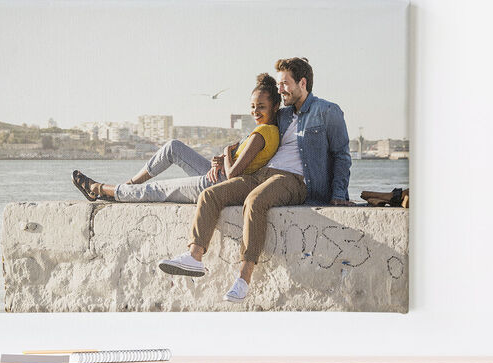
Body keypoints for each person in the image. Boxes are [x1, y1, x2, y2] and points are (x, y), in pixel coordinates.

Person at [158, 57, 352, 303]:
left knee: (255, 201)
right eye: (279, 85)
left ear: (302, 83)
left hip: (296, 180)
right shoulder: (281, 115)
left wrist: (338, 195)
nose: (280, 89)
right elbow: (253, 138)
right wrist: (224, 156)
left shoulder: (327, 111)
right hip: (262, 174)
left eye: (284, 84)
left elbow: (341, 155)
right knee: (211, 194)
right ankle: (194, 257)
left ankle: (243, 278)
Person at [72, 73, 282, 204]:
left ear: (275, 107)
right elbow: (238, 165)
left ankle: (97, 189)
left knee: (155, 190)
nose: (255, 111)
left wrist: (227, 152)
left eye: (261, 107)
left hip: (218, 185)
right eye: (253, 106)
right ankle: (129, 185)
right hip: (216, 175)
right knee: (173, 147)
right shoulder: (267, 131)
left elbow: (233, 174)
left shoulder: (261, 134)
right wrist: (221, 160)